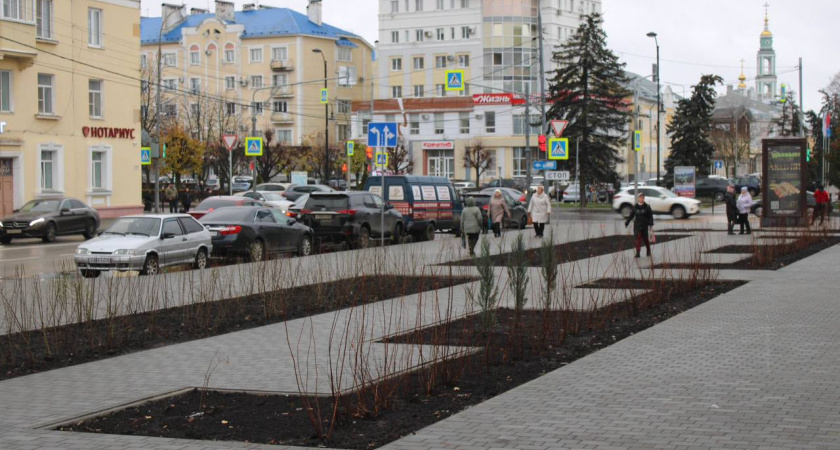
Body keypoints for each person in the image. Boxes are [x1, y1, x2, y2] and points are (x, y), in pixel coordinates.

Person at [624, 192, 654, 258]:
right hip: (637, 225)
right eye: (640, 197)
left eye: (642, 197)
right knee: (638, 239)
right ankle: (638, 253)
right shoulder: (635, 207)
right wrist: (627, 222)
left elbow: (650, 215)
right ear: (638, 198)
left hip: (644, 225)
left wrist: (651, 223)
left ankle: (648, 250)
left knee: (645, 239)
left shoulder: (647, 207)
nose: (641, 198)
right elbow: (631, 216)